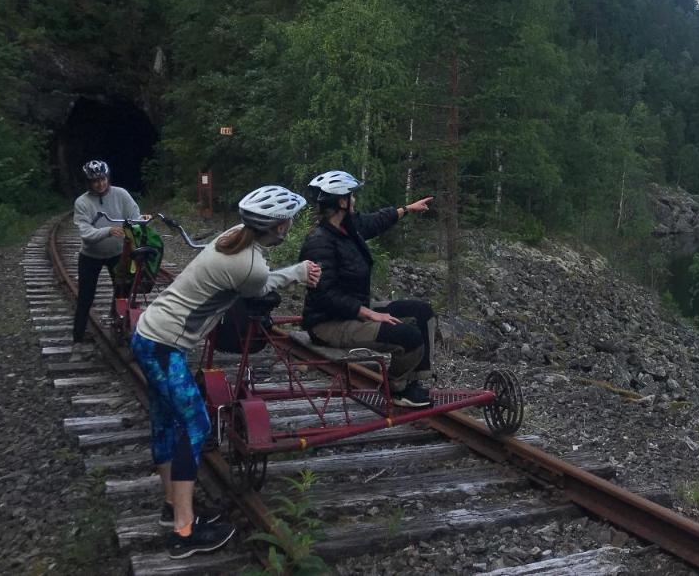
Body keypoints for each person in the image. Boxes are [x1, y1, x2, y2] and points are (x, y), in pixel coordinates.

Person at [131, 185, 322, 559]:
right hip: (165, 346)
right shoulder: (248, 263)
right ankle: (183, 534)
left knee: (166, 422)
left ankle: (172, 507)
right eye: (288, 221)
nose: (290, 226)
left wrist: (293, 271)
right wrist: (298, 272)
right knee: (196, 425)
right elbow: (261, 285)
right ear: (279, 228)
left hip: (150, 335)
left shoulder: (232, 236)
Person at [299, 170, 436, 408]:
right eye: (351, 196)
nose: (355, 200)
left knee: (422, 312)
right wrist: (369, 313)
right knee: (409, 337)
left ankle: (412, 383)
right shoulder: (319, 242)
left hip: (353, 310)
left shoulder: (349, 227)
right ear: (341, 201)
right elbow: (325, 296)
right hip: (329, 323)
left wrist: (407, 209)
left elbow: (376, 220)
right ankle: (395, 388)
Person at [71, 159, 140, 343]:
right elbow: (86, 233)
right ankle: (78, 336)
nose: (100, 184)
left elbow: (135, 217)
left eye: (102, 179)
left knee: (122, 291)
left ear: (107, 177)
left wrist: (135, 228)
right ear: (88, 183)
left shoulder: (121, 194)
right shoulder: (82, 202)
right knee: (86, 297)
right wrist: (108, 230)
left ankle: (121, 328)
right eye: (95, 181)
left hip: (117, 253)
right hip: (90, 255)